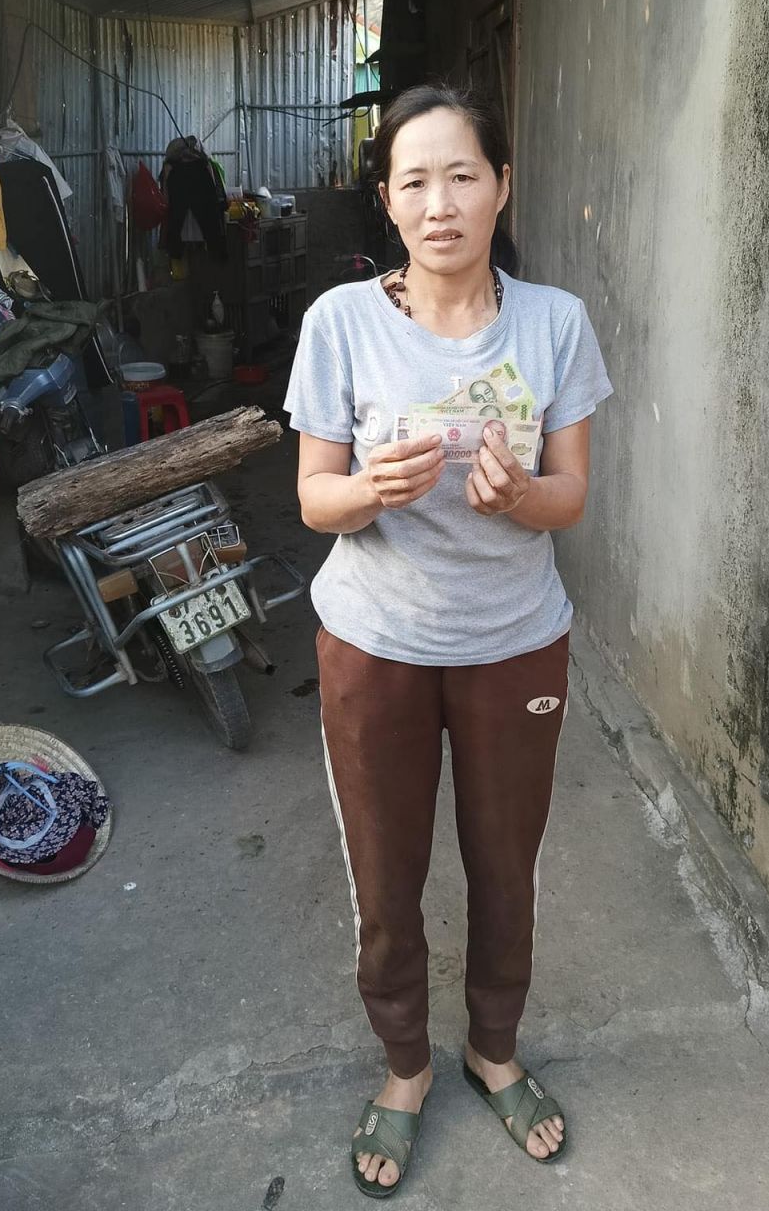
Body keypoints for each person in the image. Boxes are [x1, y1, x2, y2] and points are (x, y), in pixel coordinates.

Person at [284, 82, 613, 1197]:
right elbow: (313, 499)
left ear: (501, 186)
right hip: (374, 641)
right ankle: (406, 1064)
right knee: (386, 874)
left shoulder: (554, 323)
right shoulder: (340, 323)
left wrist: (520, 497)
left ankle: (493, 1049)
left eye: (463, 175)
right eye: (415, 180)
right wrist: (368, 490)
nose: (440, 204)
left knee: (505, 865)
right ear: (386, 200)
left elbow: (571, 496)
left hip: (515, 641)